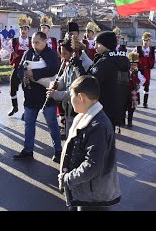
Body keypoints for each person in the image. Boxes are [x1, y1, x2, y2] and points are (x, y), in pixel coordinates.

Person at [58, 75, 121, 211]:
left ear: (81, 97)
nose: (70, 99)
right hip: (85, 189)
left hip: (92, 196)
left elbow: (92, 165)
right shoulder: (85, 117)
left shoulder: (97, 126)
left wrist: (68, 178)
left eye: (71, 96)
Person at [13, 31, 62, 162]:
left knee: (52, 124)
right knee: (29, 123)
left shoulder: (51, 54)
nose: (34, 44)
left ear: (45, 41)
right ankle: (28, 150)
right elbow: (19, 69)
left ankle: (58, 151)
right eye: (32, 42)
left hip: (47, 94)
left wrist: (33, 73)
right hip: (31, 95)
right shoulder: (28, 52)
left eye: (37, 42)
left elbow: (53, 70)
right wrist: (24, 75)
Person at [47, 35, 92, 139]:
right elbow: (63, 81)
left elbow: (76, 91)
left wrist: (56, 95)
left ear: (74, 52)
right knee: (69, 136)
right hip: (69, 107)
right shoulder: (69, 62)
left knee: (76, 139)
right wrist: (56, 85)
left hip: (79, 108)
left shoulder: (85, 64)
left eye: (65, 53)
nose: (62, 57)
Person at [87, 30, 130, 130]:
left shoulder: (105, 62)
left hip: (103, 106)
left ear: (105, 44)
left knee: (102, 139)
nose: (95, 46)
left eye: (97, 43)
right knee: (110, 136)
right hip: (118, 106)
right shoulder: (122, 59)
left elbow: (90, 81)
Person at [7, 15, 32, 117]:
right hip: (17, 68)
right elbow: (6, 49)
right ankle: (14, 106)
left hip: (28, 70)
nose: (23, 31)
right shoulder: (14, 41)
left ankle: (26, 111)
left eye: (25, 29)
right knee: (12, 88)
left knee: (27, 90)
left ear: (28, 30)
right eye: (22, 29)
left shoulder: (32, 41)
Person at [131, 32, 156, 108]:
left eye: (147, 40)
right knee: (136, 85)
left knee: (146, 87)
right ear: (142, 40)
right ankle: (136, 102)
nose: (145, 42)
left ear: (150, 41)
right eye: (144, 40)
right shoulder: (137, 49)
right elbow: (131, 58)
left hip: (147, 71)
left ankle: (145, 102)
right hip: (138, 70)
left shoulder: (153, 50)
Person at [125, 53, 146, 127]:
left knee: (132, 108)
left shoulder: (138, 73)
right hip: (125, 92)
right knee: (124, 106)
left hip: (134, 92)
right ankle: (122, 120)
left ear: (137, 66)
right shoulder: (126, 72)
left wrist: (138, 85)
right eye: (131, 65)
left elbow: (143, 80)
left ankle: (130, 121)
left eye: (134, 65)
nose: (132, 67)